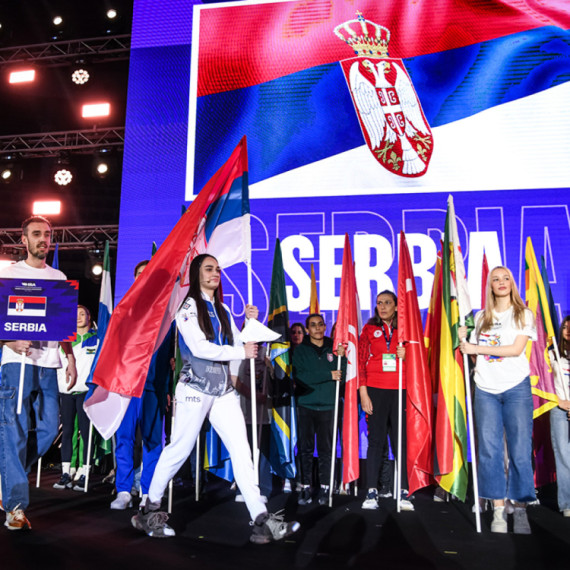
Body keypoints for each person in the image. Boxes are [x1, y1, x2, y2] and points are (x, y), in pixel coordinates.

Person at [131, 254, 299, 543]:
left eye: (218, 269)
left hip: (223, 392)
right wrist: (240, 351)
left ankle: (261, 519)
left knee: (242, 451)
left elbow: (237, 343)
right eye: (209, 269)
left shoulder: (223, 309)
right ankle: (149, 508)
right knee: (179, 449)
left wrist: (250, 323)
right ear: (197, 273)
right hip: (194, 388)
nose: (215, 273)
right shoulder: (187, 307)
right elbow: (200, 348)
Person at [0, 216, 77, 530]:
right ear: (24, 239)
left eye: (47, 234)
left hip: (48, 364)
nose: (43, 239)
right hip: (16, 363)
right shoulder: (9, 274)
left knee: (46, 432)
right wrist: (8, 340)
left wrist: (70, 357)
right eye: (36, 234)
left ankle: (8, 475)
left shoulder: (58, 276)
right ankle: (15, 508)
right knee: (13, 432)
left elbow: (63, 324)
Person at [460, 265, 536, 534]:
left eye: (506, 278)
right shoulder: (481, 316)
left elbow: (516, 349)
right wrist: (465, 342)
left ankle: (521, 508)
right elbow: (474, 355)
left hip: (516, 388)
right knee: (489, 452)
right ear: (490, 286)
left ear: (512, 283)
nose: (502, 282)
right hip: (485, 389)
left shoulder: (523, 313)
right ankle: (499, 510)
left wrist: (476, 347)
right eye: (496, 279)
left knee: (519, 450)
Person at [111, 260, 172, 510]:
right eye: (139, 274)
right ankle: (124, 490)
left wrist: (167, 388)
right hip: (125, 385)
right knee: (124, 438)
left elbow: (171, 356)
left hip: (153, 386)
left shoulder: (166, 313)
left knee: (153, 440)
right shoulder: (124, 309)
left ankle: (148, 491)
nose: (143, 277)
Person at [358, 291, 413, 511]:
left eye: (387, 303)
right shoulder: (369, 329)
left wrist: (407, 355)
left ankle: (404, 490)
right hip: (375, 390)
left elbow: (419, 361)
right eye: (379, 303)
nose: (382, 307)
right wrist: (363, 393)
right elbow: (360, 361)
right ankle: (372, 490)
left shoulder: (406, 330)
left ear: (397, 306)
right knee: (376, 442)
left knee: (401, 442)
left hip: (401, 390)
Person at [293, 313, 345, 506]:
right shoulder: (300, 350)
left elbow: (343, 373)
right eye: (313, 325)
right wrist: (328, 374)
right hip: (306, 406)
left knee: (327, 450)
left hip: (329, 406)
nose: (317, 328)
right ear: (307, 329)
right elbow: (301, 377)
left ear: (325, 327)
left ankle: (325, 487)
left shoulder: (335, 348)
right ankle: (305, 487)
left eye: (320, 324)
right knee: (305, 450)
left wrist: (341, 358)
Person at [53, 305, 98, 492]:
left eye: (82, 314)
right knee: (68, 431)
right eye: (76, 314)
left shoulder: (97, 338)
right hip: (66, 391)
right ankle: (66, 472)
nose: (78, 317)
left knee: (86, 432)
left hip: (86, 391)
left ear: (89, 317)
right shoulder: (64, 338)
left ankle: (84, 471)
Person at [550, 316, 570, 517]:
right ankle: (567, 503)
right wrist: (559, 401)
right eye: (565, 327)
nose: (568, 330)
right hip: (559, 408)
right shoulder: (552, 353)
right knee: (564, 455)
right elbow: (545, 383)